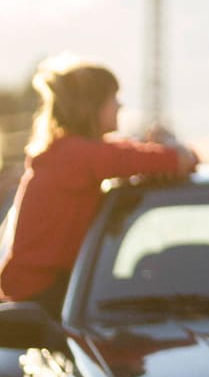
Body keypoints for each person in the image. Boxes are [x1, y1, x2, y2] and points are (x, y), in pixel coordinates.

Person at [0, 57, 197, 313]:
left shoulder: (69, 152)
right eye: (113, 97)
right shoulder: (78, 156)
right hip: (42, 299)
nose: (120, 105)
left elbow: (139, 156)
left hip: (37, 293)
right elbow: (180, 160)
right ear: (91, 106)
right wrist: (171, 146)